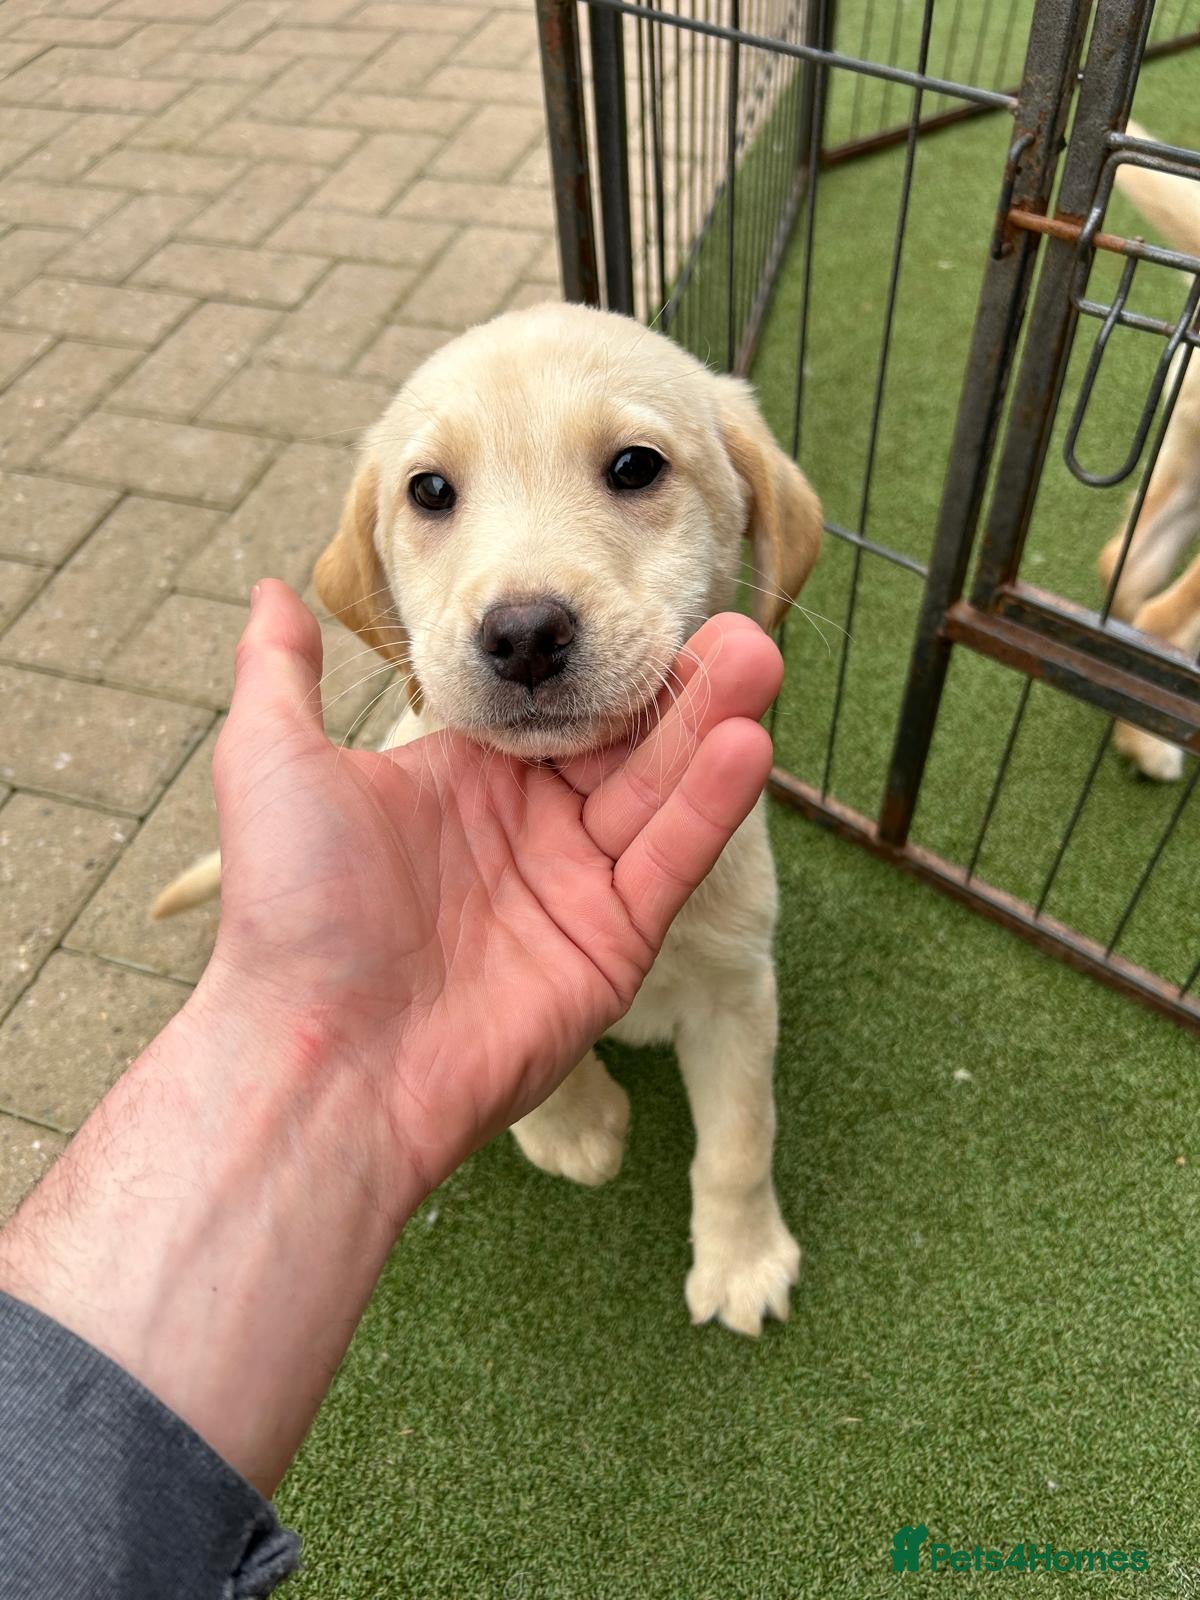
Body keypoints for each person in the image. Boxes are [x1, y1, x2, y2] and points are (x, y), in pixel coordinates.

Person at [0, 581, 784, 1600]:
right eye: (434, 494)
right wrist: (318, 1022)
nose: (522, 604)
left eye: (632, 467)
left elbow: (733, 996)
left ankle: (732, 1196)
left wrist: (737, 1205)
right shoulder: (423, 795)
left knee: (728, 984)